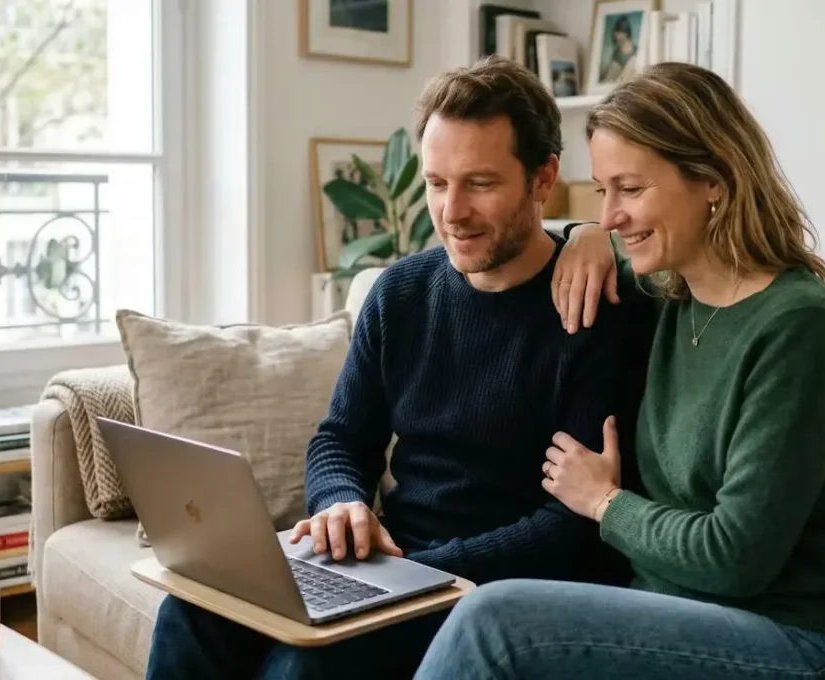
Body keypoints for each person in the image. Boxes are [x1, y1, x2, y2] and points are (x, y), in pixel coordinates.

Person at [144, 56, 652, 680]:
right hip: (391, 567)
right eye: (437, 183)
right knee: (188, 613)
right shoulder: (401, 293)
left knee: (301, 670)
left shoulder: (595, 311)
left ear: (543, 178)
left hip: (491, 588)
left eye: (481, 183)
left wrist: (419, 569)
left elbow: (571, 525)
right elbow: (341, 437)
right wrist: (341, 504)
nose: (452, 211)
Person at [413, 62, 825, 679]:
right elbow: (524, 234)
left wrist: (606, 502)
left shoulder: (798, 324)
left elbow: (737, 557)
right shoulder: (669, 295)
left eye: (630, 190)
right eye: (601, 192)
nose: (611, 215)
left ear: (712, 181)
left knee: (493, 618)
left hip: (796, 636)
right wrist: (585, 234)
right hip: (668, 611)